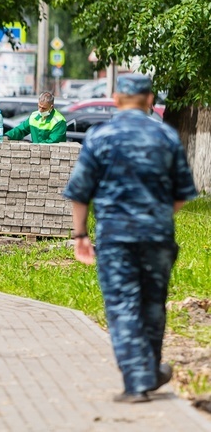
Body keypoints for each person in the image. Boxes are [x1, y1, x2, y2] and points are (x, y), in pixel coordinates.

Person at [63, 73, 197, 403]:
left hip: (116, 239)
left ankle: (137, 383)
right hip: (158, 237)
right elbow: (182, 193)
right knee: (152, 306)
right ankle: (149, 371)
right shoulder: (166, 136)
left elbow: (80, 192)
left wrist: (80, 234)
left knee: (123, 306)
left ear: (117, 99)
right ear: (150, 100)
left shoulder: (100, 136)